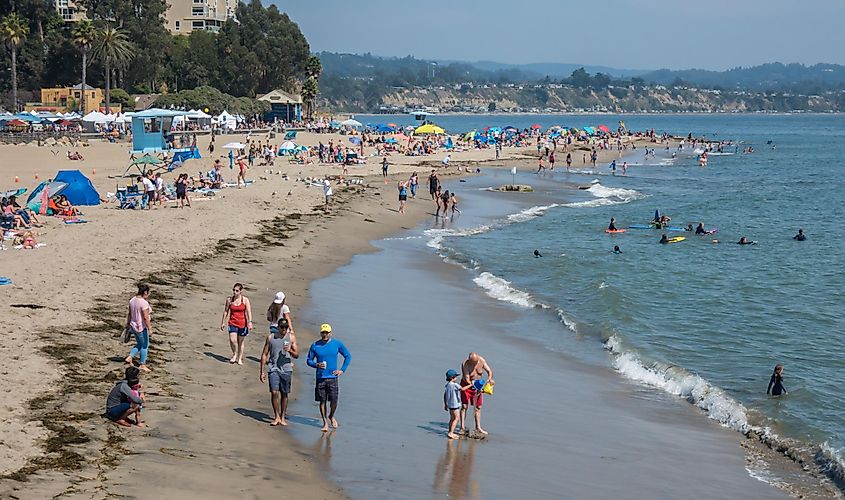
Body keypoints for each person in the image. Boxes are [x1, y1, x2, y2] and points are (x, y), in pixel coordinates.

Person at [306, 323, 351, 432]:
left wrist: (342, 370)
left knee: (334, 400)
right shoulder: (315, 345)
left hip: (333, 377)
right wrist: (316, 364)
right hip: (320, 377)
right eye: (323, 332)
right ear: (320, 333)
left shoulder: (336, 344)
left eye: (327, 332)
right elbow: (309, 360)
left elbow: (347, 355)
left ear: (330, 333)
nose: (325, 334)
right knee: (322, 401)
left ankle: (331, 416)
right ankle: (325, 422)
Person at [259, 317, 299, 426]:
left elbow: (297, 355)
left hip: (286, 369)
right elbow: (264, 354)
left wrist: (289, 350)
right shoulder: (271, 338)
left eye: (286, 328)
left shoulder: (291, 338)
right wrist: (262, 371)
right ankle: (276, 416)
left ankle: (282, 417)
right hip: (273, 368)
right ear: (278, 327)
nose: (284, 330)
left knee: (284, 394)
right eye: (282, 327)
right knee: (274, 392)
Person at [460, 352, 493, 435]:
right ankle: (462, 428)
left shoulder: (481, 360)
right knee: (464, 406)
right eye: (473, 363)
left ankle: (478, 427)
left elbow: (489, 371)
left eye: (476, 362)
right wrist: (473, 384)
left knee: (478, 407)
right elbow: (467, 379)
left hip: (478, 386)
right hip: (467, 386)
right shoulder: (465, 364)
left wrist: (489, 379)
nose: (475, 364)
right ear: (470, 360)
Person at [220, 283, 253, 365]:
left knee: (240, 342)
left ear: (241, 291)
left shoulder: (245, 300)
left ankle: (239, 358)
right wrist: (223, 322)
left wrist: (250, 322)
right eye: (234, 290)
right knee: (232, 340)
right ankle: (234, 354)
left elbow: (248, 311)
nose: (235, 292)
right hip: (232, 322)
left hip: (242, 323)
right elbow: (226, 311)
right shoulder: (229, 300)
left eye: (237, 291)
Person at [124, 284, 153, 372]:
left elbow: (130, 314)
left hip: (133, 326)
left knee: (140, 343)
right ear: (145, 292)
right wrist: (150, 328)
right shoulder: (143, 303)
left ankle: (130, 357)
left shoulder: (132, 300)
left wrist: (128, 324)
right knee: (145, 345)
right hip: (141, 327)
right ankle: (142, 364)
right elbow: (145, 317)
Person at [444, 369, 462, 439]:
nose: (456, 378)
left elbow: (445, 395)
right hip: (455, 405)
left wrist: (445, 404)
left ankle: (450, 431)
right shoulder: (454, 385)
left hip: (450, 404)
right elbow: (462, 389)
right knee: (456, 418)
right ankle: (451, 433)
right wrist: (471, 384)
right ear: (452, 377)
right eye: (455, 376)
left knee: (452, 418)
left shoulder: (447, 385)